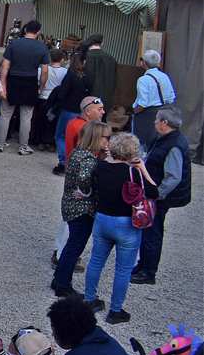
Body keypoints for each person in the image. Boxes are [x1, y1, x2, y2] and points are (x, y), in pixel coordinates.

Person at [83, 131, 157, 324]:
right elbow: (154, 191)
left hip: (102, 218)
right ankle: (115, 310)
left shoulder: (100, 166)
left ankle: (90, 299)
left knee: (96, 262)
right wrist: (143, 169)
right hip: (125, 223)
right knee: (123, 269)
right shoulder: (133, 172)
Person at [53, 120, 111, 296]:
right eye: (107, 138)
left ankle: (59, 279)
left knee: (73, 245)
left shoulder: (79, 153)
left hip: (72, 206)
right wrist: (86, 192)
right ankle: (63, 285)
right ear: (97, 138)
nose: (109, 141)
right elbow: (84, 178)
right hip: (82, 209)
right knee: (75, 246)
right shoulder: (88, 158)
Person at [134, 105, 190, 286]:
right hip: (156, 195)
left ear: (164, 123)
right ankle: (143, 265)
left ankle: (148, 272)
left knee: (153, 233)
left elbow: (173, 177)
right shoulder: (168, 139)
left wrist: (157, 194)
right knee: (148, 231)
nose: (154, 121)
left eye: (157, 119)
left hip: (159, 198)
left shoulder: (173, 144)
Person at [0, 20, 50, 154]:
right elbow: (45, 72)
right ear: (38, 33)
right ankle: (23, 146)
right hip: (30, 81)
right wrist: (40, 88)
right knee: (26, 116)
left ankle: (0, 143)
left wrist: (3, 84)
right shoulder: (42, 48)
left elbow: (5, 66)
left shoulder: (14, 44)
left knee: (6, 114)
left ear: (25, 30)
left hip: (13, 80)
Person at [132, 49, 176, 142]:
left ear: (144, 62)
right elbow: (171, 98)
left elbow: (142, 103)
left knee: (138, 144)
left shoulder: (143, 80)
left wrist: (134, 112)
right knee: (154, 143)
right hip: (160, 113)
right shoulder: (165, 77)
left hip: (144, 114)